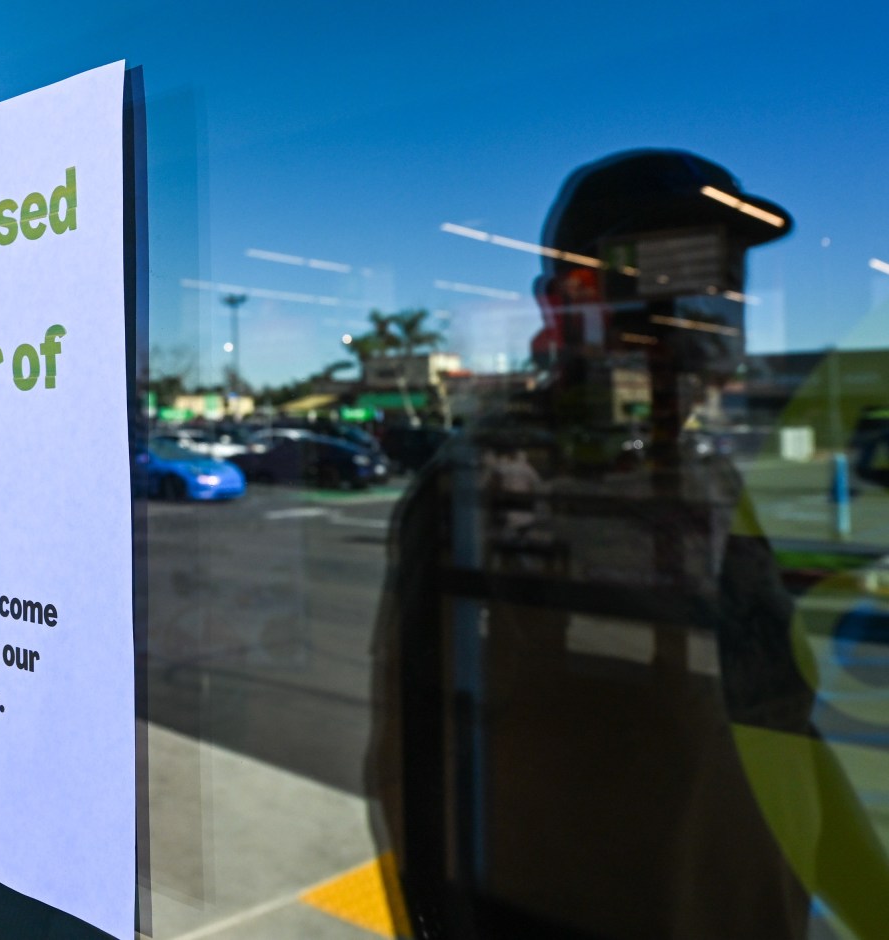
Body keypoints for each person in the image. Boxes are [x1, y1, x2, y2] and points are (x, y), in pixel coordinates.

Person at [367, 150, 889, 938]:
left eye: (728, 283)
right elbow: (419, 782)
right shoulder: (488, 490)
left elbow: (786, 733)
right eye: (679, 278)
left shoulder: (706, 480)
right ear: (572, 302)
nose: (712, 313)